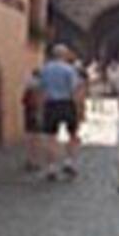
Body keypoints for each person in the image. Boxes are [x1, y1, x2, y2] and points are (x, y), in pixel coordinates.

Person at [39, 44, 82, 180]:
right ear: (64, 55)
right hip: (67, 103)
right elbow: (74, 90)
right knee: (73, 135)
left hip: (51, 104)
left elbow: (42, 89)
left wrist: (41, 107)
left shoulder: (45, 69)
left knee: (51, 137)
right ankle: (69, 162)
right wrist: (78, 108)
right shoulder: (69, 70)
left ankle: (51, 167)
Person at [21, 68, 43, 170]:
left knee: (29, 137)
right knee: (36, 138)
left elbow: (23, 101)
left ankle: (30, 160)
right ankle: (35, 161)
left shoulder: (28, 88)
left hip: (29, 112)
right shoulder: (40, 88)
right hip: (37, 112)